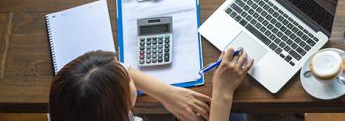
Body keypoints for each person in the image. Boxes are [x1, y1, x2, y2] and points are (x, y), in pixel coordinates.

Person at [49, 48, 253, 121]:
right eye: (128, 81)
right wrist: (223, 94)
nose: (130, 74)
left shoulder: (68, 107)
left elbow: (118, 69)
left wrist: (167, 93)